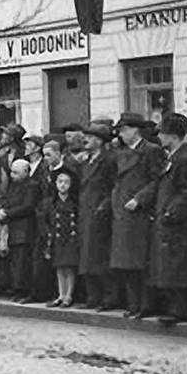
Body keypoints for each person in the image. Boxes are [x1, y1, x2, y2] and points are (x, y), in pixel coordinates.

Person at [110, 112, 165, 319]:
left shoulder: (151, 151)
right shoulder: (121, 153)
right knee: (127, 265)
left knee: (141, 263)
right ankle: (133, 305)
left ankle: (145, 305)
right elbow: (117, 182)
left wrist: (140, 198)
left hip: (140, 214)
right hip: (123, 214)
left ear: (135, 130)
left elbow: (157, 180)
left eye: (124, 130)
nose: (121, 135)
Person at [149, 113, 187, 325]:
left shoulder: (185, 159)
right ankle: (176, 308)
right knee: (171, 264)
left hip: (178, 223)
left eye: (162, 133)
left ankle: (182, 310)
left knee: (179, 265)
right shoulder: (173, 158)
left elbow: (186, 192)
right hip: (168, 221)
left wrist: (171, 212)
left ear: (173, 136)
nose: (159, 136)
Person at [77, 123, 117, 310]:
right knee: (86, 258)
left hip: (100, 213)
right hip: (85, 212)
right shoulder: (86, 161)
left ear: (100, 141)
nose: (87, 140)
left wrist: (104, 207)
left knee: (100, 257)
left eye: (91, 137)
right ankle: (92, 296)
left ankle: (108, 298)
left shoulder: (108, 160)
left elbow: (113, 187)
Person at [0, 159, 40, 303]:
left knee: (23, 262)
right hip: (12, 228)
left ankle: (25, 290)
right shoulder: (13, 186)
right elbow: (6, 200)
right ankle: (16, 288)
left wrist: (8, 213)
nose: (12, 175)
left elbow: (28, 206)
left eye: (16, 173)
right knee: (15, 262)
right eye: (12, 172)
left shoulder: (32, 186)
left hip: (25, 229)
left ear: (26, 172)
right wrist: (2, 210)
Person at [41, 168, 79, 308]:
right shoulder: (50, 202)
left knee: (69, 267)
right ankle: (60, 295)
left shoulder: (75, 202)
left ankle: (69, 295)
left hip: (71, 237)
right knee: (59, 268)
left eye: (66, 182)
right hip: (56, 238)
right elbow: (44, 221)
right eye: (60, 182)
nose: (63, 185)